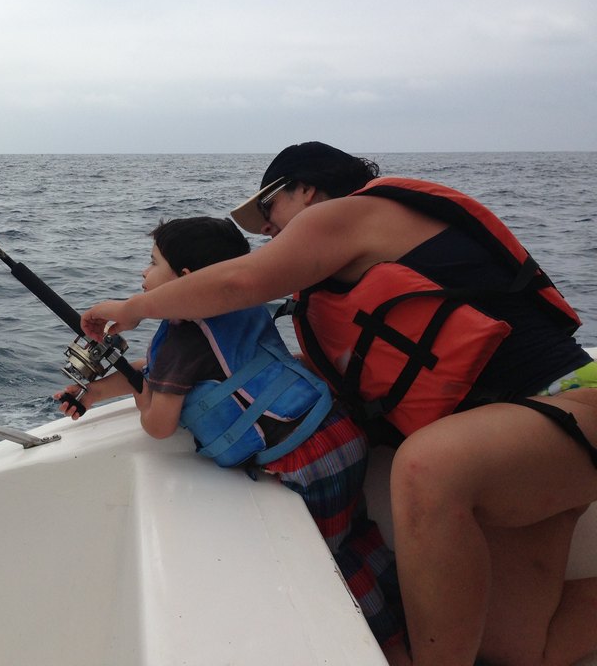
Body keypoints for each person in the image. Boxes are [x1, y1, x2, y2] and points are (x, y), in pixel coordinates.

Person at [79, 142, 597, 666]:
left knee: (428, 467)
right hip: (521, 448)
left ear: (306, 189)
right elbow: (259, 373)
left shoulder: (352, 213)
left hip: (571, 401)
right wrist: (114, 385)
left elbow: (240, 281)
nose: (266, 232)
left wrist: (134, 308)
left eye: (269, 210)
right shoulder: (337, 282)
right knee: (518, 651)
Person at [55, 216, 406, 658]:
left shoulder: (181, 340)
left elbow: (158, 423)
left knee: (336, 566)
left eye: (152, 262)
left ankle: (392, 651)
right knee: (357, 538)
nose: (142, 274)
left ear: (184, 279)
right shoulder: (233, 306)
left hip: (307, 460)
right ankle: (404, 611)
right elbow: (175, 375)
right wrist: (97, 392)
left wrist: (143, 399)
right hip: (335, 430)